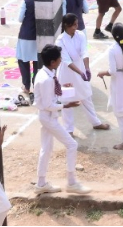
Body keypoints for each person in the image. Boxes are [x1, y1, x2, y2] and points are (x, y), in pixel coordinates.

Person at [32, 44, 88, 193]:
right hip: (48, 117)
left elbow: (51, 94)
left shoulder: (46, 74)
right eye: (59, 59)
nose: (60, 61)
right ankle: (71, 183)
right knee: (72, 145)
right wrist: (66, 105)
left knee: (46, 148)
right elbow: (48, 104)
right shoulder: (46, 79)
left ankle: (41, 183)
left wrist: (62, 88)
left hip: (48, 116)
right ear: (53, 62)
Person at [97, 23, 123, 151]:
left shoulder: (113, 50)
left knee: (122, 111)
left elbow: (113, 71)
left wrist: (102, 73)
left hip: (121, 81)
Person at [14, 0, 39, 104]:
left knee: (23, 61)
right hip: (39, 35)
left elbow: (20, 18)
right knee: (36, 62)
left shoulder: (26, 1)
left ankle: (26, 85)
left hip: (26, 35)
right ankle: (36, 85)